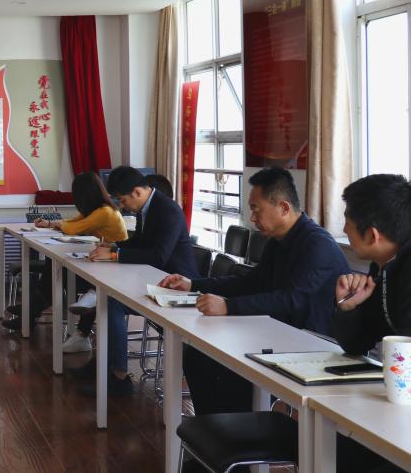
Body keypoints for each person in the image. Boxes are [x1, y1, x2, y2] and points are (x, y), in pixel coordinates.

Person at [158, 166, 350, 414]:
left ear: (283, 207)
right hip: (275, 330)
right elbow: (249, 283)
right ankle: (213, 428)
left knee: (233, 373)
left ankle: (233, 432)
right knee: (199, 357)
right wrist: (194, 284)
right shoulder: (278, 241)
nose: (252, 218)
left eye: (256, 209)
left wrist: (228, 306)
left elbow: (292, 299)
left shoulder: (317, 245)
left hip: (309, 343)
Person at [73, 166, 198, 396]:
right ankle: (105, 364)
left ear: (137, 192)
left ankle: (119, 378)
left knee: (113, 302)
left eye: (122, 200)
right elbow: (140, 241)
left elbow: (159, 255)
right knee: (108, 296)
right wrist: (114, 246)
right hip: (155, 282)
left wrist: (114, 254)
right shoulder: (147, 207)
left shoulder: (168, 210)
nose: (122, 206)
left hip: (177, 289)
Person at [331, 173, 411, 473]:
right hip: (398, 406)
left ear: (373, 235)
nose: (343, 230)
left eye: (348, 224)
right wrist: (349, 306)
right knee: (341, 448)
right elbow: (356, 344)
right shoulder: (387, 266)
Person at [2, 172, 128, 353]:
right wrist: (50, 223)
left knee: (57, 271)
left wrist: (56, 224)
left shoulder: (104, 212)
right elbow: (72, 221)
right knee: (53, 267)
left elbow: (72, 228)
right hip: (102, 262)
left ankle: (31, 311)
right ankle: (30, 312)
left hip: (112, 269)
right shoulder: (98, 210)